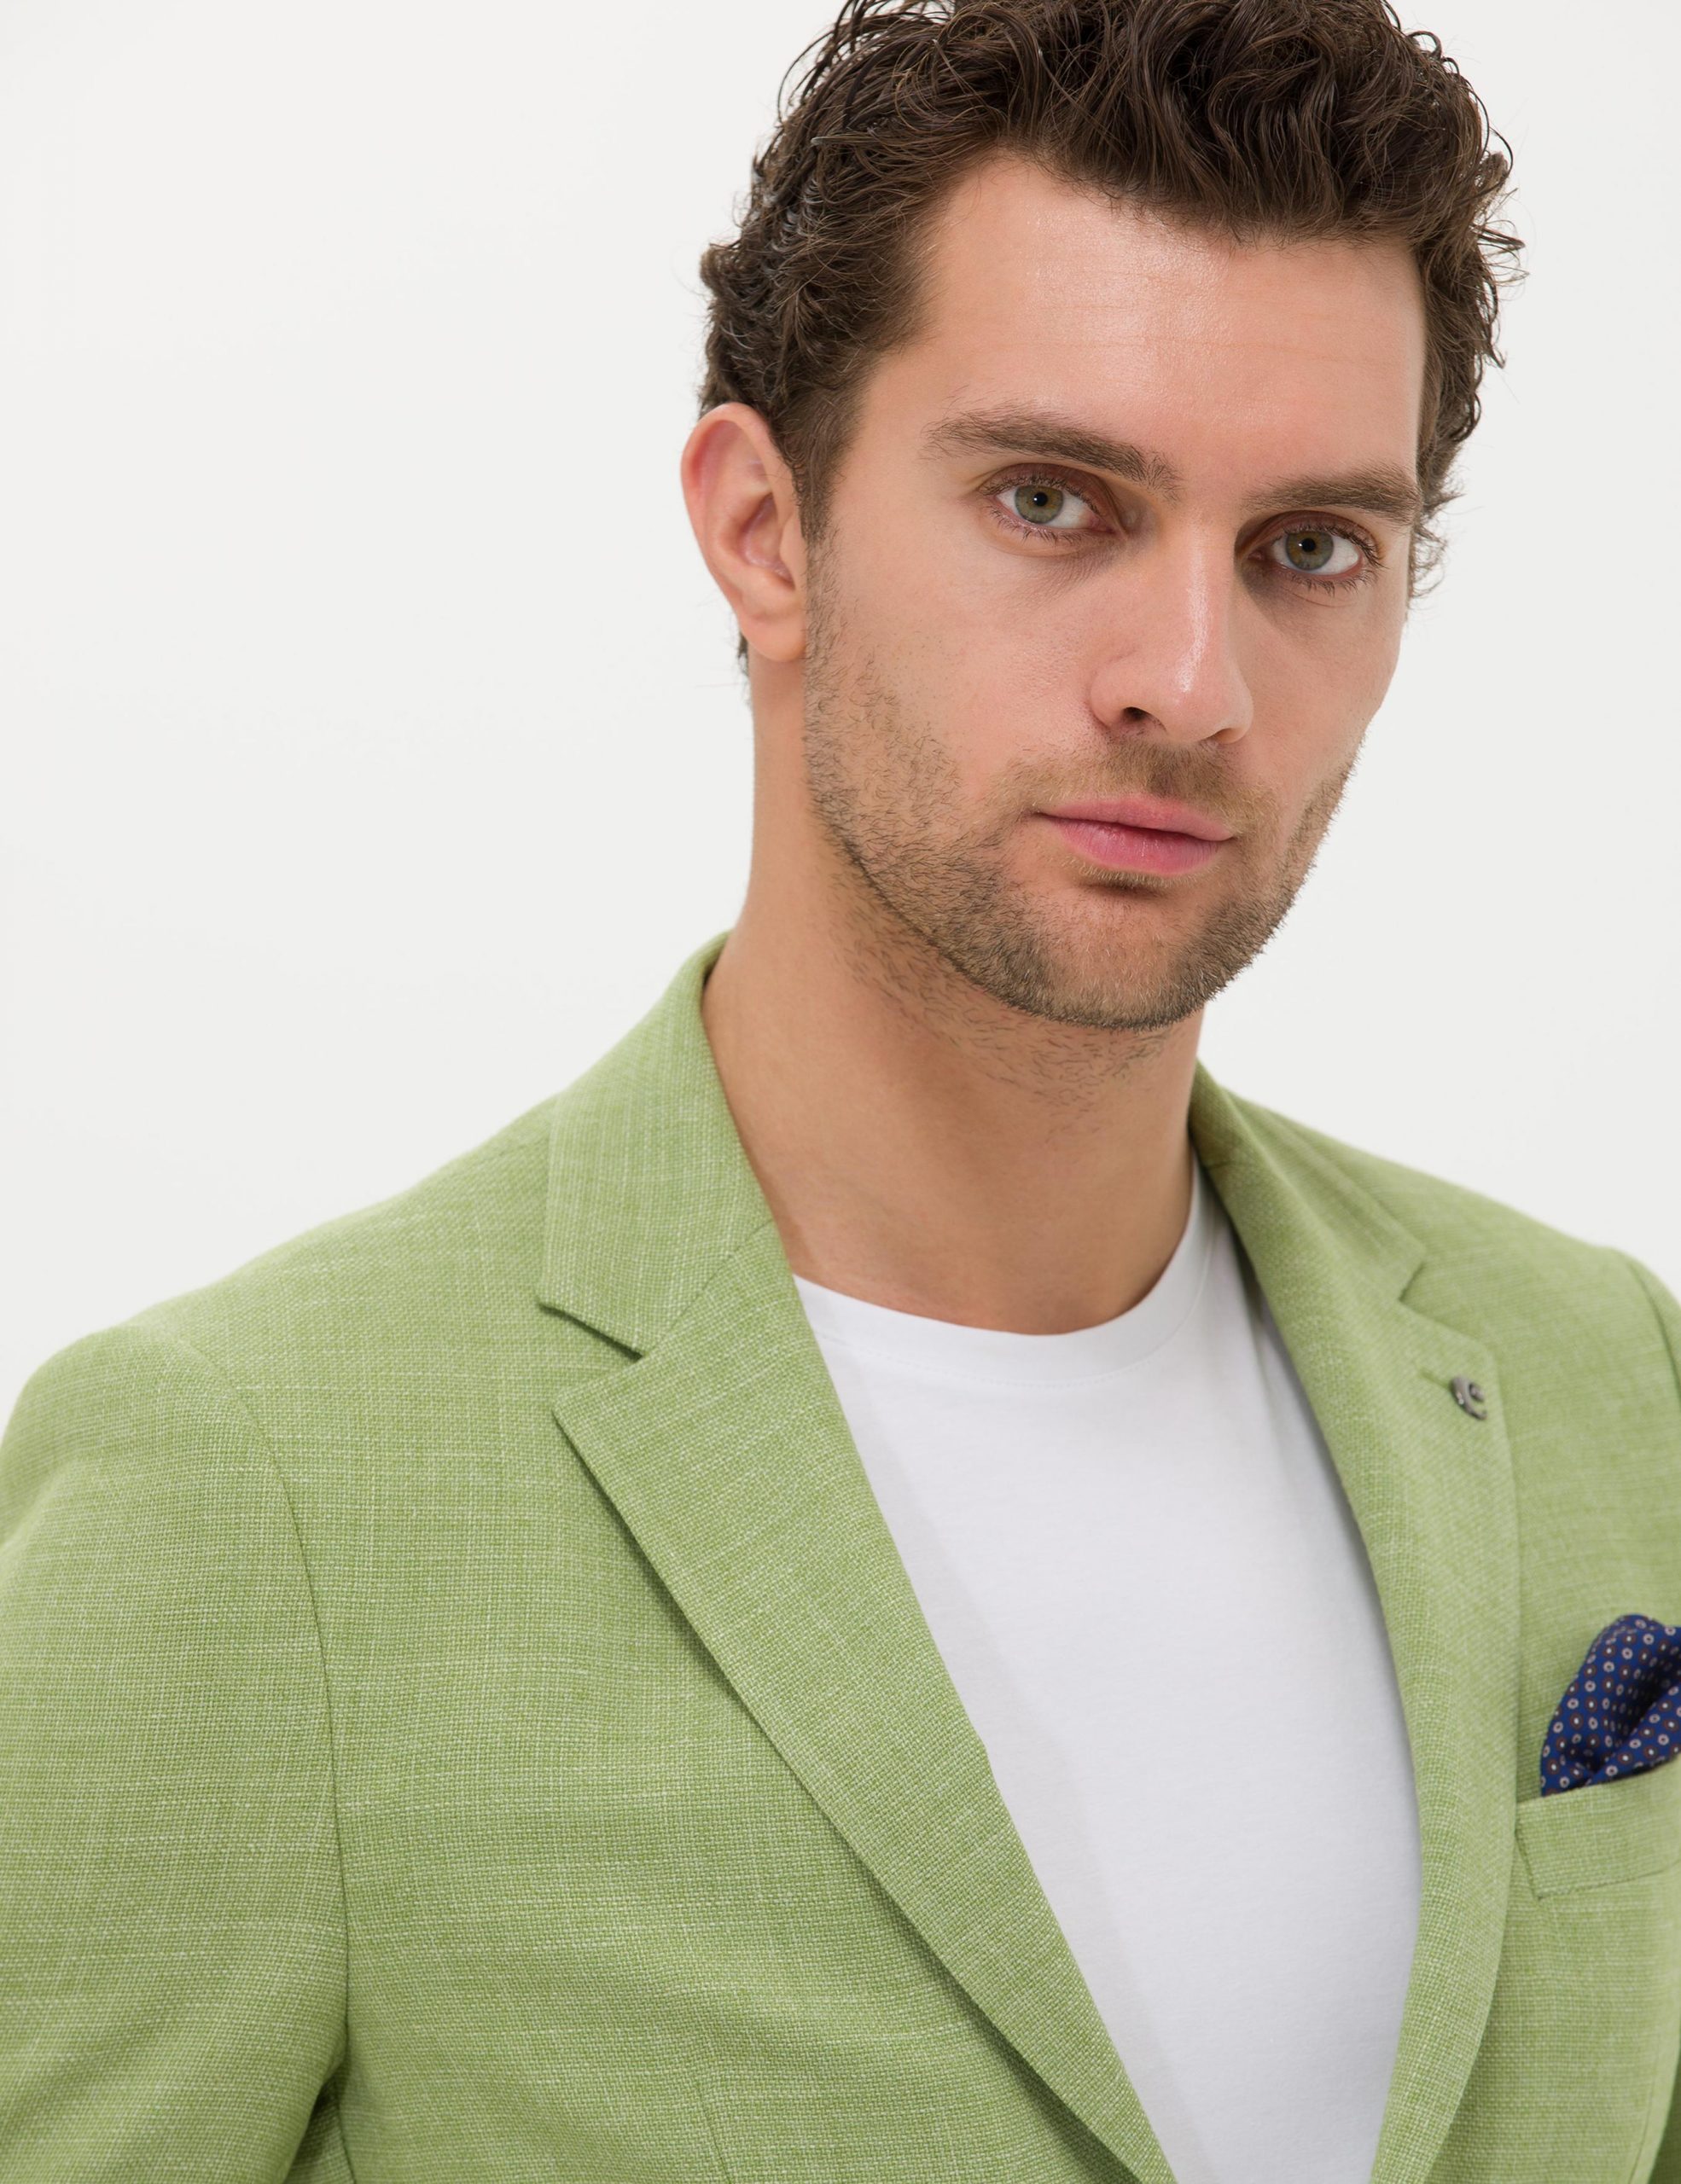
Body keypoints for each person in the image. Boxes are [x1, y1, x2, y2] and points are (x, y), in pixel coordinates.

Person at [3, 0, 1678, 2179]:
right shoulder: (250, 1489)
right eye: (1053, 501)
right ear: (763, 528)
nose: (1189, 682)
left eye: (1308, 548)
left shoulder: (1600, 1376)